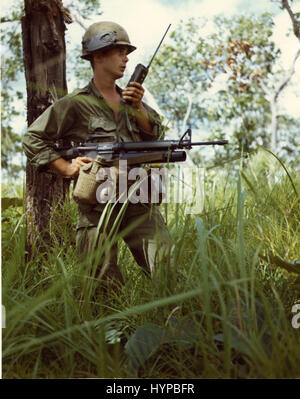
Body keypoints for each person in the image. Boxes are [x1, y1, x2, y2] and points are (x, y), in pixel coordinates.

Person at [22, 21, 172, 290]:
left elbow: (156, 139)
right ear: (98, 55)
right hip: (97, 205)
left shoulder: (133, 100)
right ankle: (115, 333)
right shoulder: (76, 103)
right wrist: (65, 168)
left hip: (140, 199)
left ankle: (170, 327)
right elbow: (32, 138)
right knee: (102, 284)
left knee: (167, 272)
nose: (126, 58)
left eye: (127, 53)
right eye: (120, 51)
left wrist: (138, 110)